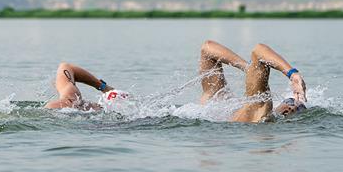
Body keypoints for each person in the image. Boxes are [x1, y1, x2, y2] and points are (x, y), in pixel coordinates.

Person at [45, 40, 307, 121]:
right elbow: (259, 50)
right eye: (292, 105)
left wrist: (104, 88)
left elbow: (207, 47)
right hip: (137, 118)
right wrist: (292, 74)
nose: (292, 105)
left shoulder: (219, 100)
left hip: (133, 115)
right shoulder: (256, 110)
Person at [199, 39, 307, 122]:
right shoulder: (260, 109)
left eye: (298, 110)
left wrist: (250, 70)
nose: (292, 108)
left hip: (213, 135)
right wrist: (292, 74)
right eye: (291, 103)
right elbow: (207, 47)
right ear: (278, 105)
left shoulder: (217, 103)